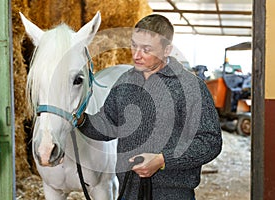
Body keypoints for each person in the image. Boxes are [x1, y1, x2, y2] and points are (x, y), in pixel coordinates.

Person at [78, 14, 222, 200]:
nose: (136, 55)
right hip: (128, 190)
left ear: (166, 50)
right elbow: (108, 125)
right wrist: (81, 119)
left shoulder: (190, 86)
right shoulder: (125, 81)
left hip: (173, 194)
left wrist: (162, 160)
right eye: (134, 45)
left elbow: (210, 142)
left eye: (146, 49)